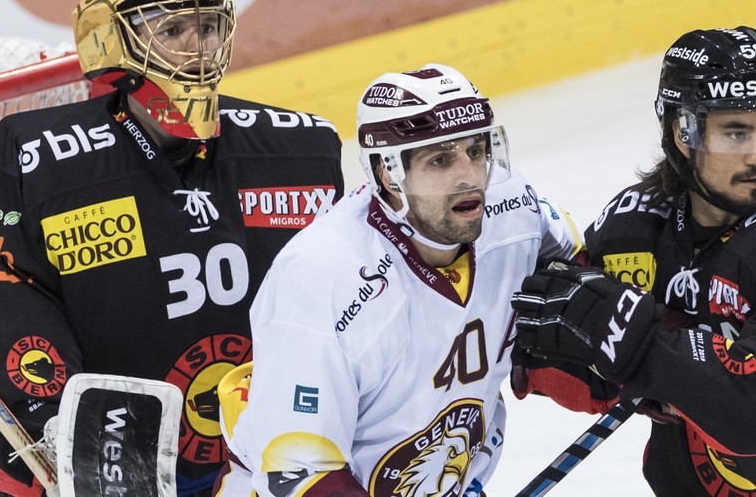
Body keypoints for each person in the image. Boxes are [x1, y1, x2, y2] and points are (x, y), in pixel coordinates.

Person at [0, 0, 343, 496]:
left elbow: (364, 280)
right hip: (103, 471)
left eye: (209, 27)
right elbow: (4, 310)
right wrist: (60, 435)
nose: (199, 49)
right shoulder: (31, 161)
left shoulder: (301, 149)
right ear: (111, 42)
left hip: (265, 459)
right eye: (173, 31)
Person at [212, 63, 584, 496]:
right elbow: (297, 469)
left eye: (476, 150)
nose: (468, 175)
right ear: (389, 175)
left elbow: (579, 267)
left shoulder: (513, 208)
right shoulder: (323, 273)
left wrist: (627, 355)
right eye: (440, 159)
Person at [510, 26, 756, 495]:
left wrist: (642, 346)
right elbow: (565, 359)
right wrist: (607, 364)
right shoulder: (634, 226)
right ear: (682, 132)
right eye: (735, 132)